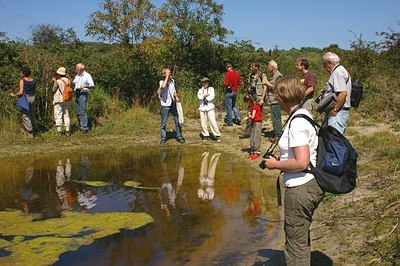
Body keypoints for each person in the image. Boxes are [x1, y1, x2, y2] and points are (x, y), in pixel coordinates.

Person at [262, 75, 324, 266]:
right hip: (308, 183)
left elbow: (302, 162)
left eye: (276, 95)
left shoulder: (297, 122)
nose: (275, 99)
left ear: (283, 96)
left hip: (300, 187)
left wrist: (276, 165)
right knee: (300, 234)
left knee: (295, 242)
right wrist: (283, 159)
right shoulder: (303, 115)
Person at [321, 52, 352, 134]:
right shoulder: (340, 70)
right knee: (334, 139)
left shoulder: (337, 72)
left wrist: (335, 109)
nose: (324, 67)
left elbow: (343, 93)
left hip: (338, 112)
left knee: (334, 139)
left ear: (329, 63)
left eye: (324, 64)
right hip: (339, 111)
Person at [240, 62, 267, 139]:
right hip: (252, 97)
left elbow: (265, 87)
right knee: (249, 113)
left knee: (257, 115)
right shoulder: (250, 75)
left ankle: (256, 132)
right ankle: (248, 132)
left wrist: (262, 99)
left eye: (252, 66)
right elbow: (249, 85)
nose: (250, 68)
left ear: (257, 67)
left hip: (258, 97)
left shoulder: (262, 76)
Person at [158, 67, 185, 144]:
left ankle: (179, 136)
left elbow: (174, 91)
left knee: (177, 121)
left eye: (169, 72)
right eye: (168, 72)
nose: (170, 74)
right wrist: (166, 77)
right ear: (164, 74)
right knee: (163, 123)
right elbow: (163, 87)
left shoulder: (172, 81)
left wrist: (176, 96)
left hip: (173, 104)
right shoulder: (161, 82)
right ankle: (163, 138)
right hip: (165, 104)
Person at [9, 67, 37, 138]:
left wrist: (14, 95)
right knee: (32, 114)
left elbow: (21, 92)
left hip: (25, 98)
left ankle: (30, 132)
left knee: (25, 115)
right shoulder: (33, 81)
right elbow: (35, 91)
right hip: (32, 97)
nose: (20, 73)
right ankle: (35, 128)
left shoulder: (22, 81)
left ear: (24, 73)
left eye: (21, 72)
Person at [197, 77, 221, 142]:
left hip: (210, 107)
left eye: (207, 82)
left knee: (212, 121)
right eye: (204, 82)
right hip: (202, 108)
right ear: (202, 83)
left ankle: (217, 135)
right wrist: (204, 96)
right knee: (203, 122)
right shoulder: (200, 90)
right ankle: (205, 135)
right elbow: (199, 97)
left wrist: (205, 97)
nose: (206, 83)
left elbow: (212, 96)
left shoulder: (211, 89)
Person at [73, 63, 94, 133]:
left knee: (82, 110)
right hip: (77, 93)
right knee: (78, 110)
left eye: (76, 68)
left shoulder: (87, 75)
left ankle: (85, 127)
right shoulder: (77, 75)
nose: (75, 69)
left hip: (83, 93)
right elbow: (74, 82)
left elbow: (92, 85)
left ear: (80, 68)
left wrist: (84, 86)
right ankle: (81, 125)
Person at [51, 67, 72, 137]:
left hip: (59, 99)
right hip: (67, 99)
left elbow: (53, 90)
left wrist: (54, 82)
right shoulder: (68, 80)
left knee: (58, 114)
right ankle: (67, 130)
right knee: (66, 114)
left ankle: (59, 131)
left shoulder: (58, 81)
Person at [266, 60, 283, 141]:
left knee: (276, 118)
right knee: (274, 118)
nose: (267, 68)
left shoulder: (278, 76)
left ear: (272, 67)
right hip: (272, 100)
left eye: (268, 66)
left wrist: (268, 84)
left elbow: (278, 88)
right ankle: (276, 133)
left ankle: (278, 135)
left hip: (276, 100)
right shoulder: (273, 76)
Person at [243, 94, 262, 159]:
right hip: (254, 122)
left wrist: (248, 117)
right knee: (252, 136)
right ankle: (252, 151)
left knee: (256, 136)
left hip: (257, 122)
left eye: (246, 103)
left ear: (248, 101)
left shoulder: (255, 106)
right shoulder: (252, 107)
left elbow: (253, 116)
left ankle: (256, 151)